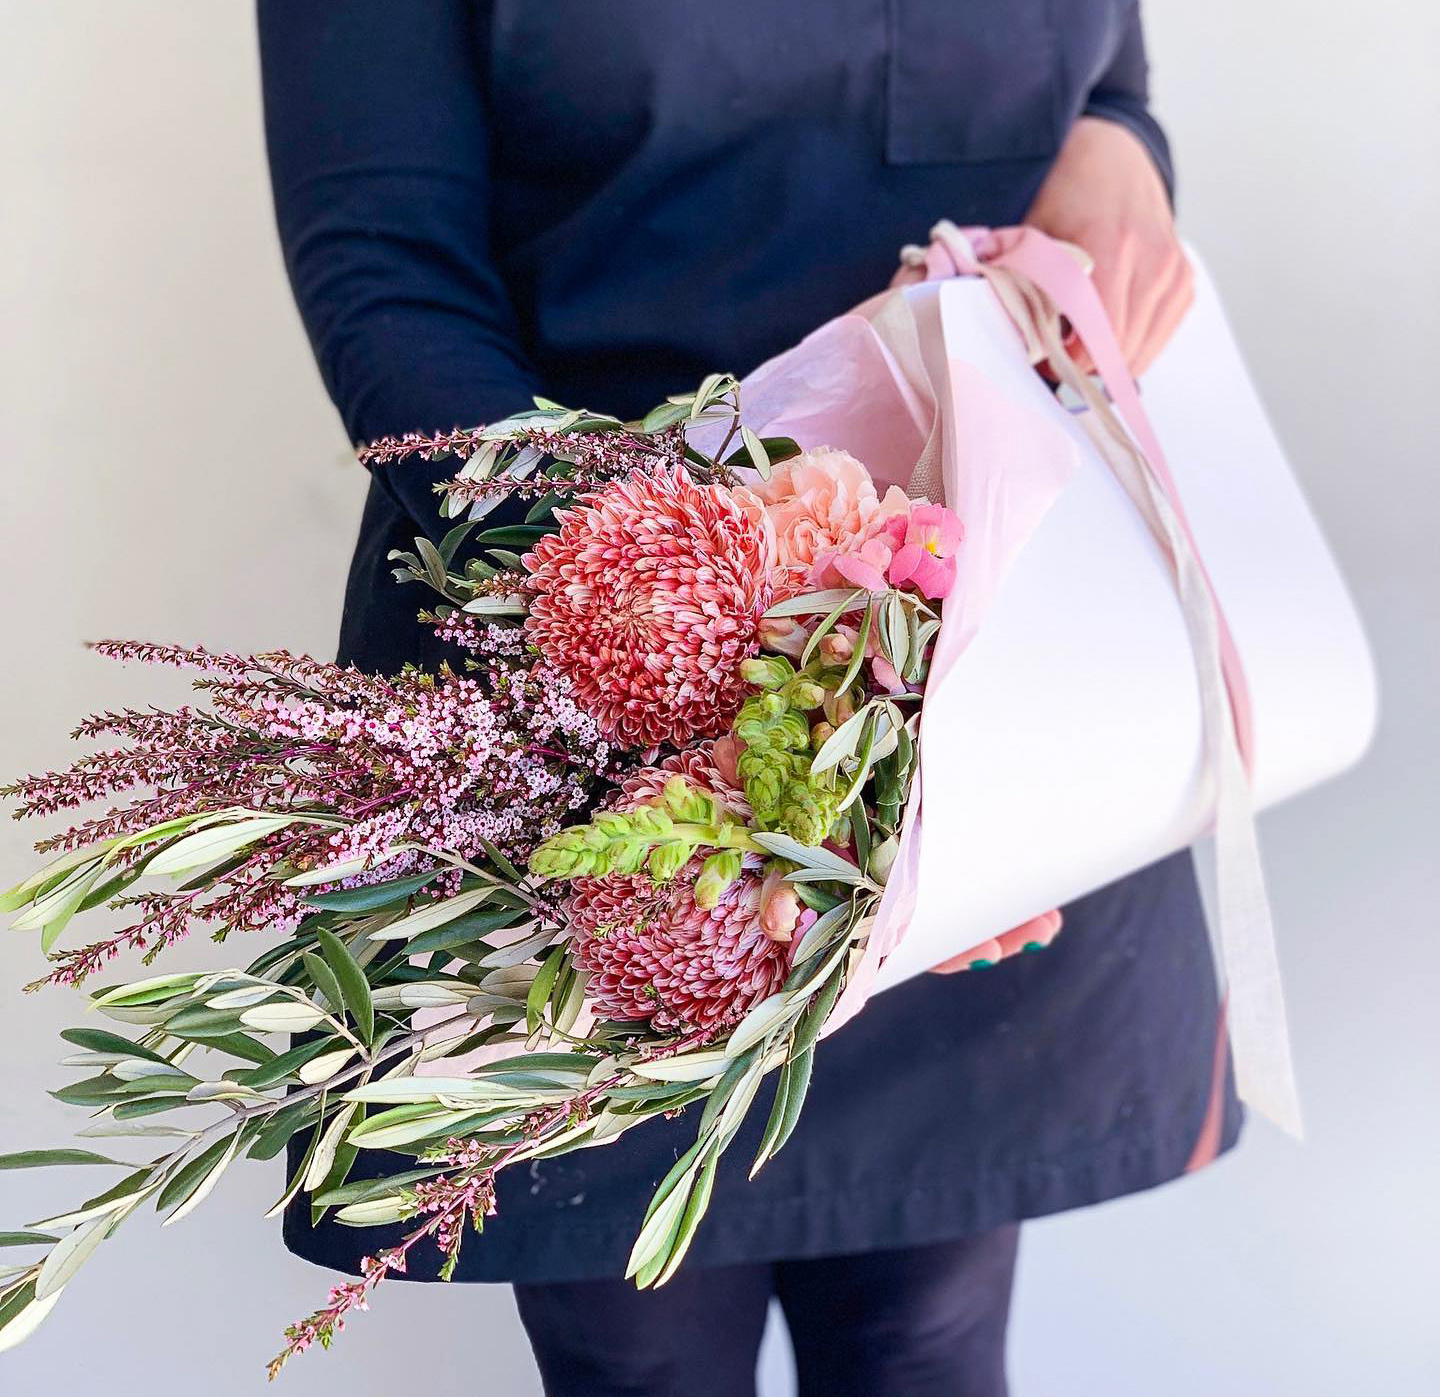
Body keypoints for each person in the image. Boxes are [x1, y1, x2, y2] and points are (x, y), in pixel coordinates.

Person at [257, 4, 1234, 1394]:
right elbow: (390, 274)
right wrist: (720, 660)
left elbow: (1105, 77)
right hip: (588, 741)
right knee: (638, 1353)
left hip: (979, 696)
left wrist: (1118, 151)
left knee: (931, 1339)